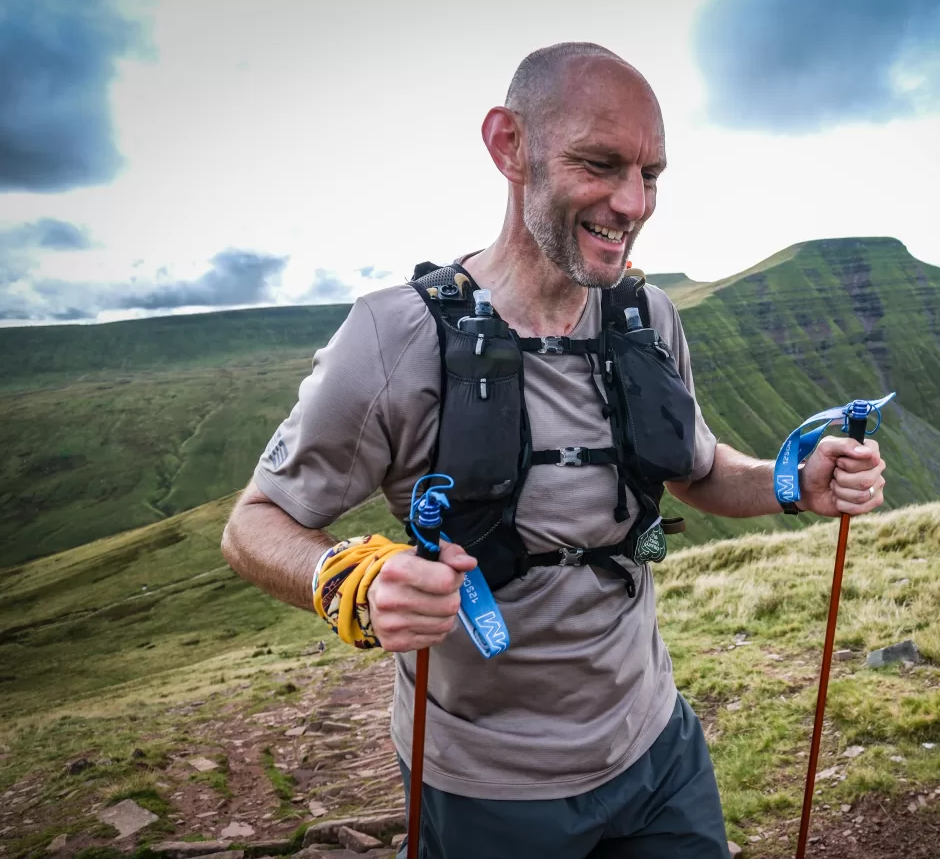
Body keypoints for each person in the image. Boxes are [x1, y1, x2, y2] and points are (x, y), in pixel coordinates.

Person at [220, 42, 889, 859]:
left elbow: (699, 468)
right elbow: (255, 523)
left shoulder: (649, 318)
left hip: (657, 747)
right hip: (485, 787)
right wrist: (347, 581)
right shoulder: (393, 336)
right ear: (509, 146)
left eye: (652, 175)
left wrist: (792, 482)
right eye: (601, 164)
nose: (632, 202)